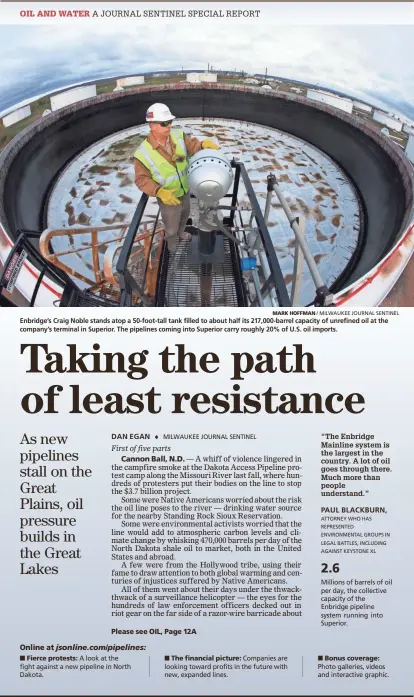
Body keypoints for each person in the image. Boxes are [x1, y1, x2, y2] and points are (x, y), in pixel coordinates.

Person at [134, 103, 220, 252]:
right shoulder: (143, 153)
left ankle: (181, 233)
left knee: (185, 215)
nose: (169, 126)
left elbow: (192, 146)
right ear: (152, 125)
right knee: (171, 225)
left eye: (170, 122)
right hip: (168, 197)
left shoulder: (177, 135)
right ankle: (172, 244)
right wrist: (159, 192)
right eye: (164, 123)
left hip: (185, 190)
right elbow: (141, 180)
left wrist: (202, 145)